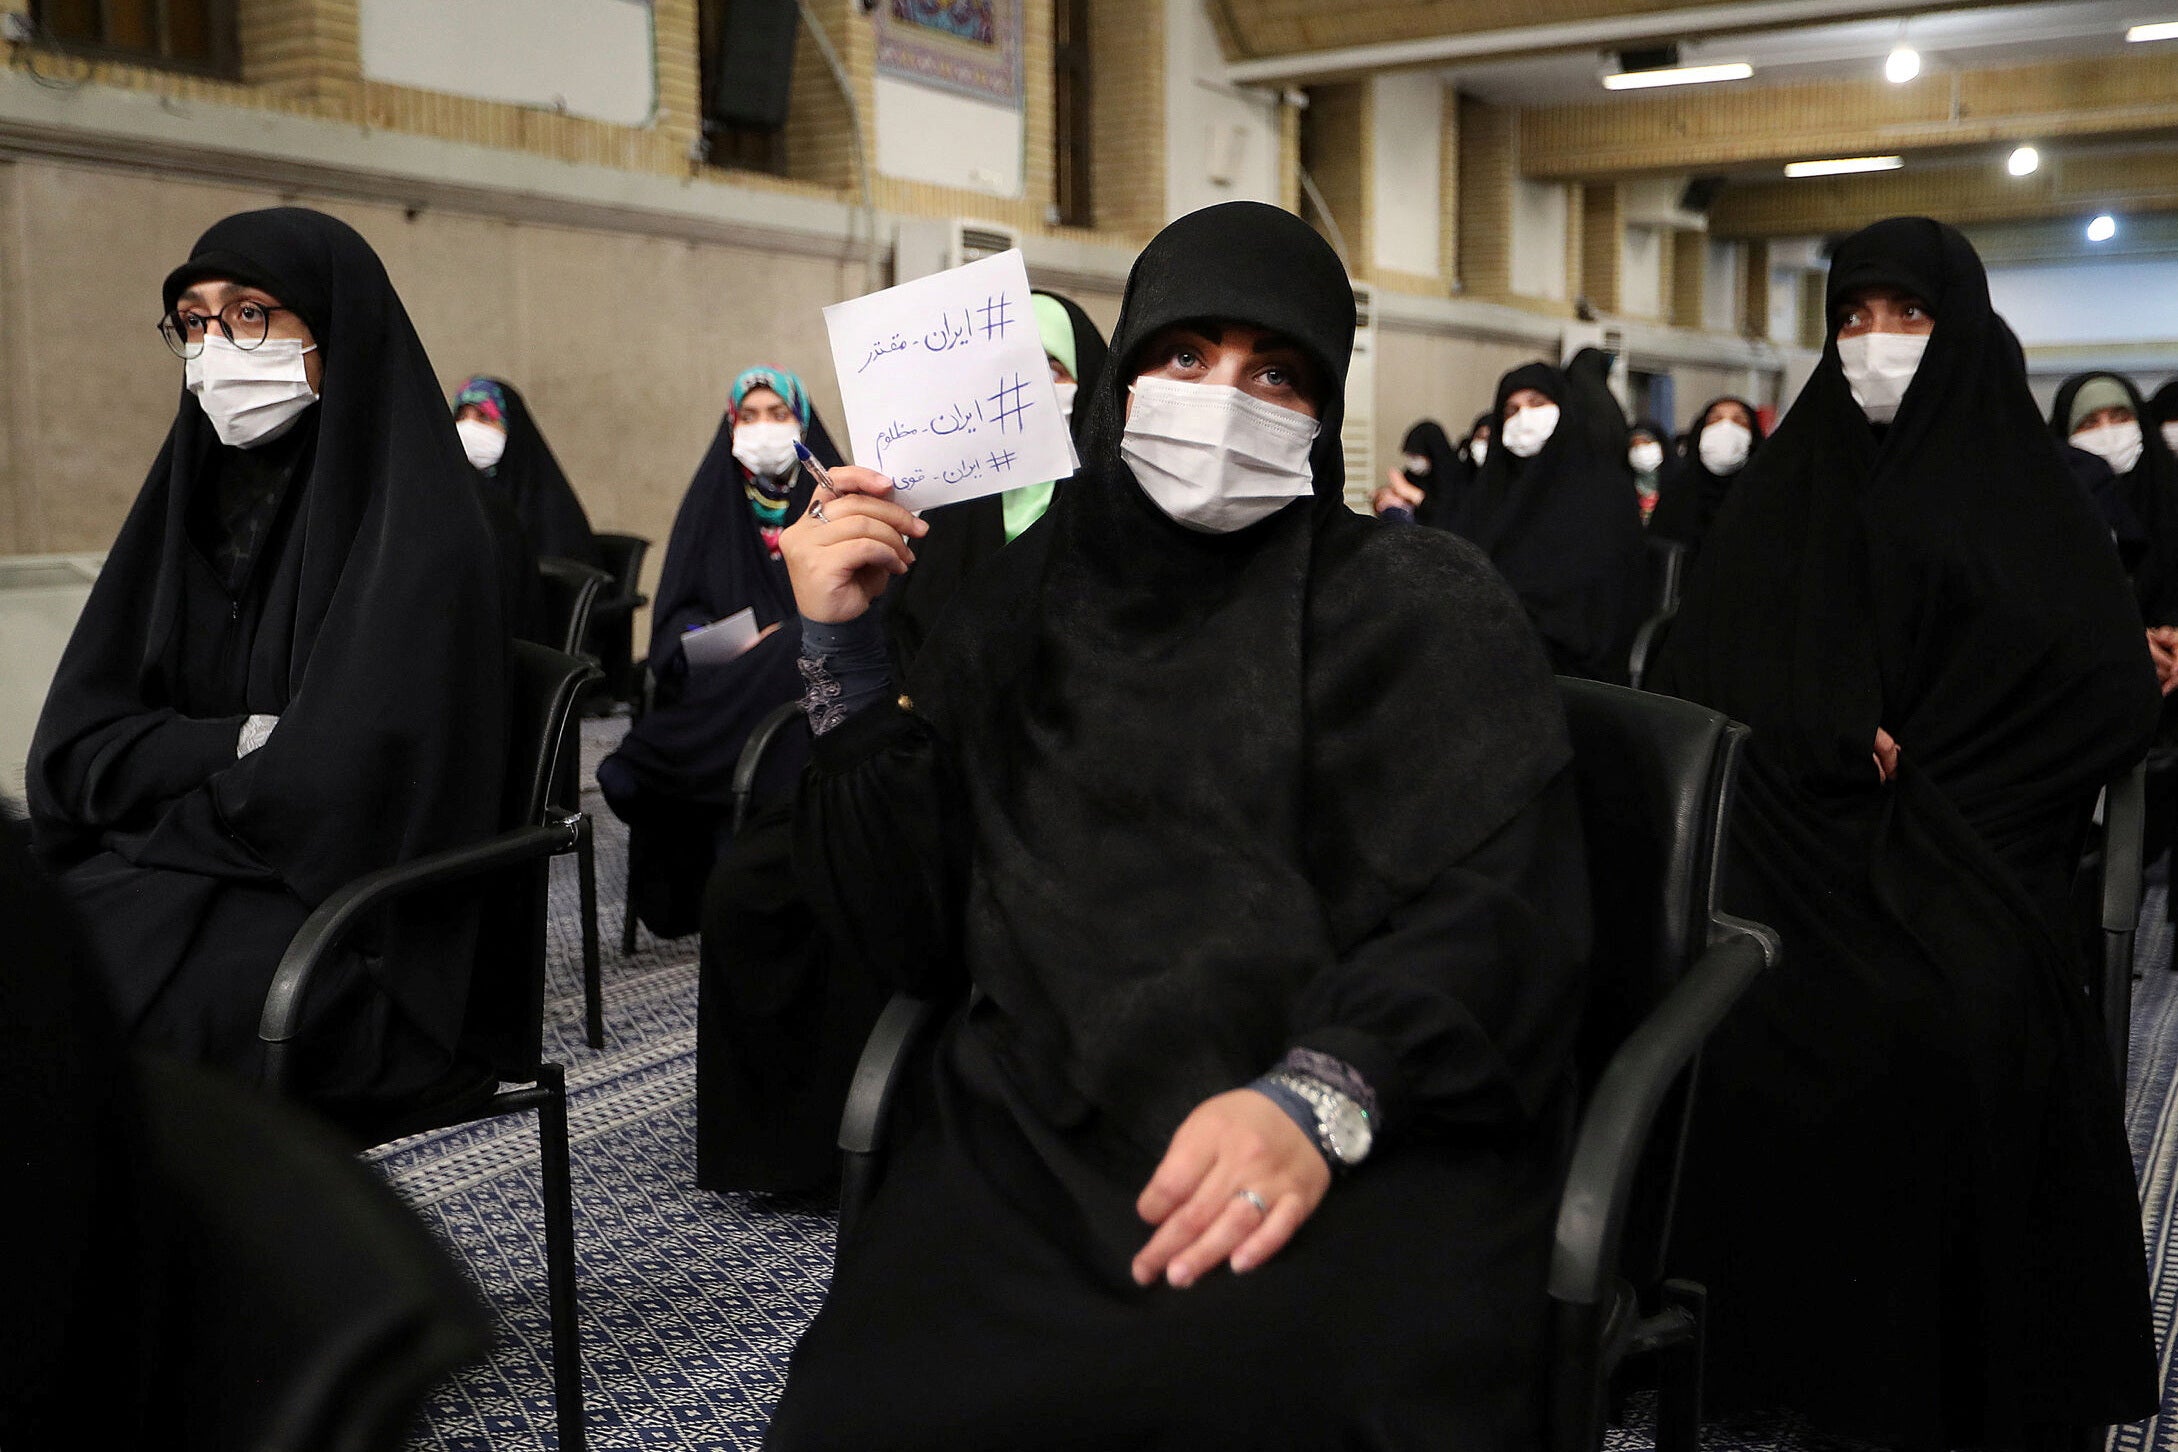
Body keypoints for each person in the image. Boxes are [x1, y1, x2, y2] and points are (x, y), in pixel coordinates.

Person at [761, 201, 1589, 1450]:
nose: (1223, 398)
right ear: (1124, 376)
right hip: (1044, 1129)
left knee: (1242, 1388)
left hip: (1346, 1126)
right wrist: (845, 652)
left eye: (1277, 371)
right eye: (1186, 355)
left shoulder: (1426, 606)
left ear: (1323, 412)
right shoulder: (1035, 600)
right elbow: (910, 928)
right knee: (869, 1401)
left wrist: (1320, 1098)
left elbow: (1497, 916)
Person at [1651, 217, 2158, 1449]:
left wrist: (1929, 778)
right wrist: (1825, 733)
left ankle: (1940, 1369)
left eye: (1908, 316)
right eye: (1855, 318)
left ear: (1967, 329)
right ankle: (1772, 1347)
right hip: (1792, 848)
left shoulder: (2015, 493)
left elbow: (2099, 689)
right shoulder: (1798, 482)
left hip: (1970, 856)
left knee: (1956, 1027)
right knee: (1737, 1019)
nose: (1876, 344)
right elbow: (1697, 667)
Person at [25, 207, 508, 1107]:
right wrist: (239, 741)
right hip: (198, 875)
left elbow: (335, 791)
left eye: (252, 314)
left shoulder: (425, 536)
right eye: (196, 321)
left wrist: (158, 781)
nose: (217, 346)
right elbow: (72, 750)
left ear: (338, 328)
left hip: (359, 937)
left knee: (85, 1038)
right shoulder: (188, 510)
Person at [596, 366, 842, 939]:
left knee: (792, 652)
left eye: (778, 415)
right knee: (776, 659)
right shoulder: (713, 503)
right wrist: (710, 634)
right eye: (748, 417)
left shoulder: (833, 496)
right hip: (722, 679)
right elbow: (676, 615)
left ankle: (649, 764)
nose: (763, 430)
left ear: (803, 424)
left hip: (812, 685)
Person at [881, 291, 1107, 673]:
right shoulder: (945, 506)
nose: (1028, 387)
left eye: (1053, 370)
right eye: (1015, 368)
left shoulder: (1114, 515)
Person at [1451, 362, 1647, 682]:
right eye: (1511, 409)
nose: (1523, 417)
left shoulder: (1603, 489)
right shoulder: (1491, 491)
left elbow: (1599, 598)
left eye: (1537, 403)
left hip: (1568, 664)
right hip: (1485, 642)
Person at [453, 376, 601, 568]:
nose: (468, 428)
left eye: (484, 417)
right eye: (460, 417)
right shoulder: (454, 499)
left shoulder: (549, 512)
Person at [1647, 396, 1765, 558]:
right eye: (1715, 420)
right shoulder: (1676, 495)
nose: (1726, 428)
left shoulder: (1766, 498)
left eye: (1739, 421)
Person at [1370, 419, 1459, 524]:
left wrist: (1413, 494)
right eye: (1410, 455)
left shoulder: (1454, 476)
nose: (1412, 461)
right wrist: (1383, 496)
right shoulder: (1413, 475)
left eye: (1416, 455)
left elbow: (1446, 515)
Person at [1627, 416, 1669, 524]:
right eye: (1634, 445)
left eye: (1646, 442)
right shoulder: (1625, 486)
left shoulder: (1676, 482)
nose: (1640, 449)